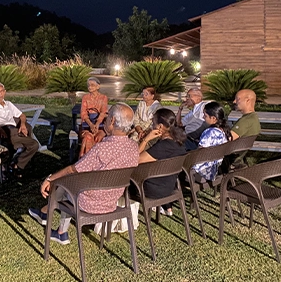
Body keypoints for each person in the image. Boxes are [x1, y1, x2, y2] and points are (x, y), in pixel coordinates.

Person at [28, 103, 139, 245]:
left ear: (112, 121)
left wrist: (50, 179)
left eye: (107, 116)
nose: (105, 119)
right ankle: (49, 218)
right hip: (111, 201)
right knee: (69, 183)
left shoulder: (102, 149)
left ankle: (57, 227)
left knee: (65, 183)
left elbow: (74, 169)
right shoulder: (133, 147)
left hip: (89, 203)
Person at [0, 82, 39, 178]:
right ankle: (14, 165)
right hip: (3, 131)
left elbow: (22, 115)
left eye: (2, 91)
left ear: (5, 92)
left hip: (14, 131)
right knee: (33, 144)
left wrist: (23, 124)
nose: (0, 94)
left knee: (33, 143)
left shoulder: (8, 104)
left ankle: (16, 164)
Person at [137, 108, 187, 216]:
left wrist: (146, 139)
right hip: (169, 186)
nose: (152, 126)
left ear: (160, 126)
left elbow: (136, 159)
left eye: (153, 123)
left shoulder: (164, 146)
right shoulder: (178, 141)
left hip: (154, 190)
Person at [192, 101, 232, 181]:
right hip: (215, 168)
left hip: (203, 171)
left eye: (205, 115)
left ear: (213, 118)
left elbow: (200, 152)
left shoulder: (210, 132)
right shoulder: (224, 130)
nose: (203, 117)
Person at [229, 89, 261, 168]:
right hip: (237, 157)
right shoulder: (254, 118)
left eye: (237, 99)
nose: (234, 101)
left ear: (247, 100)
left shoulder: (246, 121)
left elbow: (228, 139)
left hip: (230, 159)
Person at [79, 77, 108, 157]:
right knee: (87, 137)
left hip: (100, 125)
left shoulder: (103, 98)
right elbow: (83, 113)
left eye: (92, 85)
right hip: (87, 125)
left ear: (98, 86)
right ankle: (86, 159)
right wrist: (91, 125)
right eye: (88, 85)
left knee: (100, 137)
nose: (90, 87)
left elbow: (103, 112)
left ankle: (98, 159)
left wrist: (97, 124)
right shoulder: (85, 97)